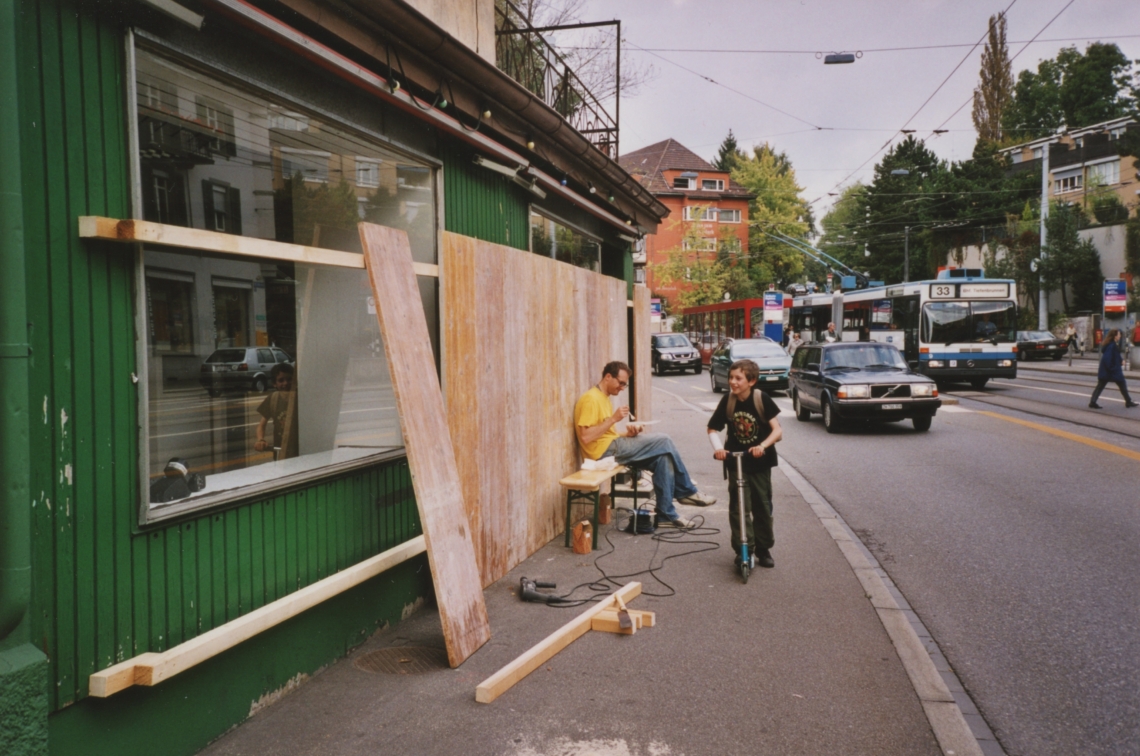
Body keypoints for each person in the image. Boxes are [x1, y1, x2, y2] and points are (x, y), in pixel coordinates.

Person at [574, 361, 715, 528]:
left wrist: (628, 434)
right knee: (664, 440)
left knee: (663, 458)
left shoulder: (604, 397)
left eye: (625, 385)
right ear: (608, 377)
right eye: (621, 383)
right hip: (602, 453)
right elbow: (585, 437)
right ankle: (687, 491)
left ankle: (666, 515)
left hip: (611, 447)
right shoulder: (591, 399)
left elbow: (606, 434)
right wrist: (613, 419)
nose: (622, 388)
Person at [707, 359, 783, 568]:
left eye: (738, 378)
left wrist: (763, 446)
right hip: (736, 462)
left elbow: (777, 430)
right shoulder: (728, 401)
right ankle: (743, 549)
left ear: (751, 381)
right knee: (738, 507)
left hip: (760, 462)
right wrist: (718, 449)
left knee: (762, 506)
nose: (733, 382)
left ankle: (763, 548)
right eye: (731, 377)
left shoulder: (761, 398)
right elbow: (712, 428)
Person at [255, 363, 299, 459]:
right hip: (281, 451)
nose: (285, 383)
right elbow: (261, 425)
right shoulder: (273, 398)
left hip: (300, 450)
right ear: (274, 383)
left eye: (289, 379)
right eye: (281, 380)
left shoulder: (300, 398)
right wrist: (260, 440)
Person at [1089, 329, 1138, 409]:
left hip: (1108, 370)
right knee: (1122, 384)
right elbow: (1107, 358)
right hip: (1112, 370)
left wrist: (1121, 360)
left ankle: (1092, 402)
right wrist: (1113, 368)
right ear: (1115, 336)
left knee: (1101, 386)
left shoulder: (1111, 344)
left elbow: (1115, 355)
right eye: (1119, 334)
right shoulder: (1112, 345)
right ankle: (1128, 402)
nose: (1120, 336)